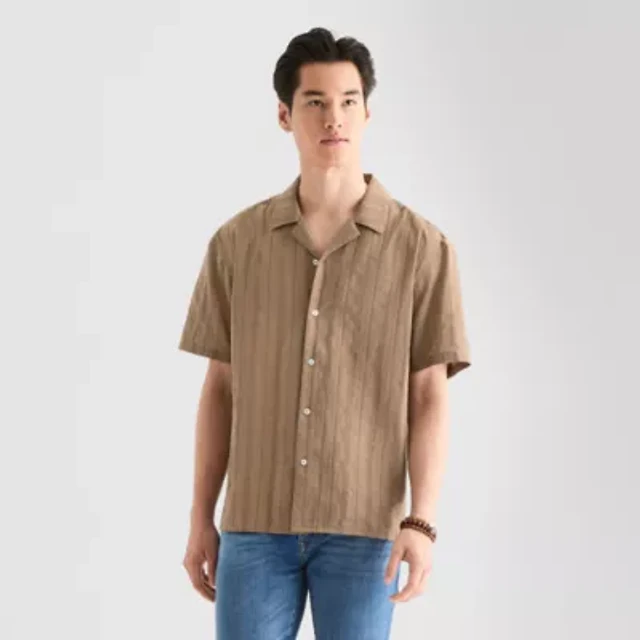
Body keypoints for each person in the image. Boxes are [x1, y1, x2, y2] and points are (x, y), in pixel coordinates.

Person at [178, 26, 471, 640]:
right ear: (285, 115)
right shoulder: (237, 244)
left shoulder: (422, 249)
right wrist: (201, 517)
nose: (333, 117)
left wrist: (422, 520)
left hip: (365, 530)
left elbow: (428, 396)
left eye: (347, 100)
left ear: (367, 113)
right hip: (254, 525)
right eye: (315, 101)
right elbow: (220, 389)